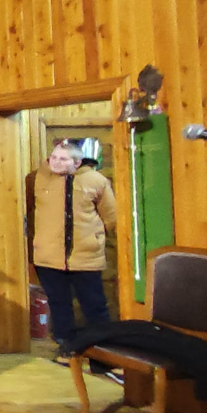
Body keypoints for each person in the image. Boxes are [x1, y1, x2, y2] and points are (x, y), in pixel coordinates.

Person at [30, 140, 118, 363]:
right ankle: (67, 349)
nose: (56, 162)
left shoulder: (96, 181)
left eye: (63, 159)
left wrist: (95, 238)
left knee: (94, 306)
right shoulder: (40, 178)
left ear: (77, 162)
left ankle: (103, 355)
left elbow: (111, 216)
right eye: (54, 157)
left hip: (85, 257)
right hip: (48, 256)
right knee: (59, 304)